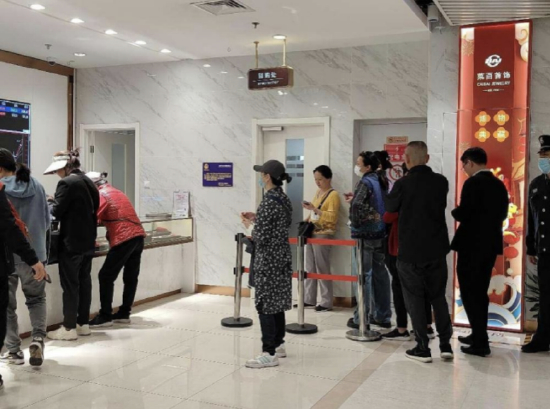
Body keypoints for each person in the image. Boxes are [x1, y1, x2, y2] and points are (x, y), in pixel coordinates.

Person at [385, 141, 454, 363]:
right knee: (438, 297)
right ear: (427, 158)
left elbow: (389, 209)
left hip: (410, 251)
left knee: (414, 299)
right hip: (436, 249)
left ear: (406, 159)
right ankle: (445, 345)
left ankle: (422, 347)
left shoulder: (402, 184)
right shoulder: (441, 181)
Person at [452, 147, 508, 357]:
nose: (464, 169)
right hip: (489, 245)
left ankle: (480, 341)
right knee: (480, 291)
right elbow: (503, 214)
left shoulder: (472, 183)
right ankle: (477, 334)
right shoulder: (498, 184)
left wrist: (454, 211)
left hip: (471, 245)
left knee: (469, 291)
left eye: (464, 165)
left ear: (470, 162)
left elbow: (464, 213)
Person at [0, 149, 50, 367]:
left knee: (7, 305)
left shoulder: (1, 188)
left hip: (8, 257)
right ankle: (38, 339)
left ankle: (13, 350)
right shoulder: (37, 185)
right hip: (36, 255)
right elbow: (47, 221)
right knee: (36, 299)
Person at [241, 160, 293, 368]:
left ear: (267, 177)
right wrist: (258, 218)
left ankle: (268, 352)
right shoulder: (283, 198)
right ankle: (279, 344)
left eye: (261, 174)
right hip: (282, 257)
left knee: (265, 304)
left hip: (268, 260)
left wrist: (249, 225)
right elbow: (276, 225)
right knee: (277, 302)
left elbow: (261, 237)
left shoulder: (268, 202)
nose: (260, 178)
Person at [44, 150, 100, 341]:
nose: (56, 174)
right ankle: (83, 324)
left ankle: (68, 328)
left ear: (64, 168)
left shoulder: (66, 183)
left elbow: (57, 212)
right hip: (88, 242)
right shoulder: (89, 181)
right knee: (84, 282)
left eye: (56, 171)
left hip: (71, 243)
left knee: (70, 285)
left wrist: (51, 202)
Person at [381, 163, 435, 341]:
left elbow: (388, 216)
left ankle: (402, 327)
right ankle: (427, 326)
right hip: (424, 246)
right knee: (422, 286)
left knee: (399, 286)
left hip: (401, 246)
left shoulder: (403, 189)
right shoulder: (432, 188)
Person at [86, 172, 146, 328]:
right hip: (138, 236)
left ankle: (105, 315)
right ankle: (124, 313)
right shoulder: (117, 191)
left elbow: (93, 218)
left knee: (105, 276)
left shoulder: (101, 195)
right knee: (130, 276)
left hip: (123, 237)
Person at [346, 151, 391, 330]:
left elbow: (357, 205)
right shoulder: (381, 180)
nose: (356, 166)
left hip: (364, 236)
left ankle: (361, 318)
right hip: (380, 234)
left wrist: (356, 223)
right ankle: (382, 316)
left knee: (363, 276)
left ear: (367, 167)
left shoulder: (365, 182)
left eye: (359, 163)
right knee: (380, 275)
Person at [302, 165, 340, 312]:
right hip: (312, 231)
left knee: (322, 266)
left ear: (328, 178)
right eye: (316, 179)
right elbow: (314, 212)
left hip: (324, 232)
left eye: (320, 179)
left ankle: (326, 301)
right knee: (310, 266)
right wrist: (307, 219)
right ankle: (309, 298)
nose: (318, 182)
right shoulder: (318, 192)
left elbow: (332, 217)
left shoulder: (333, 195)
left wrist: (314, 209)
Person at [524, 135, 550, 354]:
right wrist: (531, 247)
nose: (543, 159)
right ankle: (542, 339)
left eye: (547, 154)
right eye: (542, 154)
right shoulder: (536, 184)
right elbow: (532, 220)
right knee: (546, 296)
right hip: (544, 251)